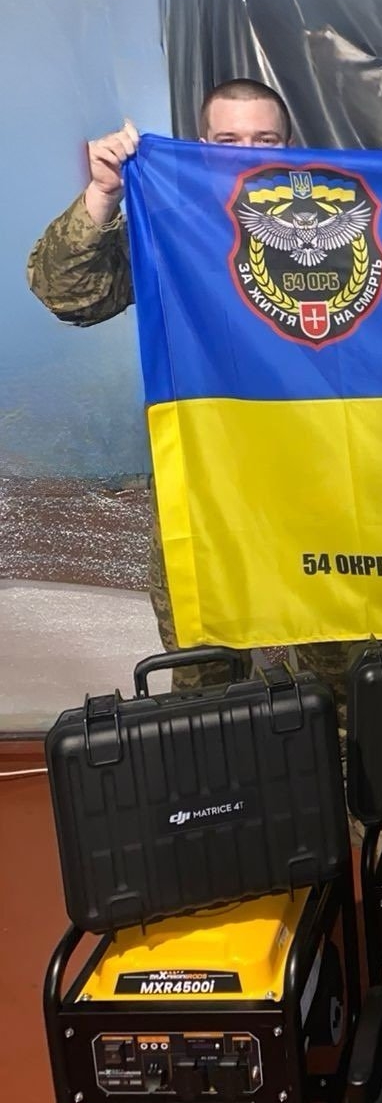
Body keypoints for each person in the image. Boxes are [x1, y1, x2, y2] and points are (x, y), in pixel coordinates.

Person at [27, 79, 352, 710]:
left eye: (264, 139)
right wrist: (104, 191)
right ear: (202, 143)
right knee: (208, 694)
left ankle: (342, 777)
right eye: (228, 139)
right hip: (205, 495)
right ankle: (224, 777)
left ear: (290, 145)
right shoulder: (171, 223)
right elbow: (68, 295)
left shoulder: (341, 227)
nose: (245, 153)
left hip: (323, 488)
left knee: (340, 682)